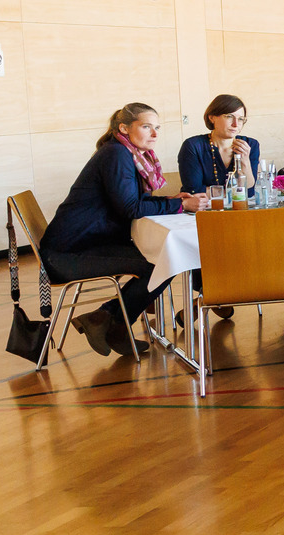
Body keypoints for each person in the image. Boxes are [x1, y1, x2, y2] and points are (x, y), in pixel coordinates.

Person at [42, 103, 200, 357]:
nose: (155, 134)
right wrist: (180, 204)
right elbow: (129, 208)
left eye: (157, 128)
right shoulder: (116, 155)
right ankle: (112, 322)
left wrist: (172, 201)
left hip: (83, 244)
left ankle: (106, 319)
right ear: (124, 128)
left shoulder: (125, 153)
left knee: (163, 259)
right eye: (147, 126)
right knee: (162, 262)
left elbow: (131, 202)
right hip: (67, 254)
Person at [178, 93, 259, 193]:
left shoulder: (250, 145)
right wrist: (234, 192)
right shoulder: (193, 146)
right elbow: (194, 191)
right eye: (229, 116)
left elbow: (249, 191)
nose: (235, 124)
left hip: (240, 207)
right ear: (212, 118)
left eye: (241, 119)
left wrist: (245, 161)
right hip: (203, 207)